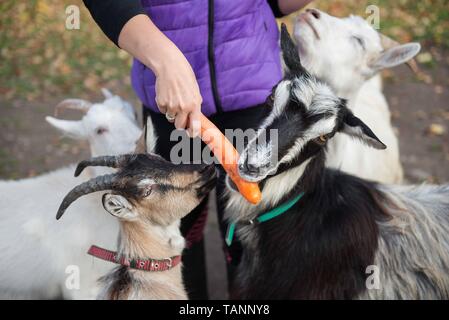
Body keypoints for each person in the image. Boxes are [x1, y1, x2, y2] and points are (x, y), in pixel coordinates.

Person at [83, 0, 314, 299]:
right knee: (176, 236)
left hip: (256, 96)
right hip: (171, 107)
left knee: (251, 238)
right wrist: (166, 60)